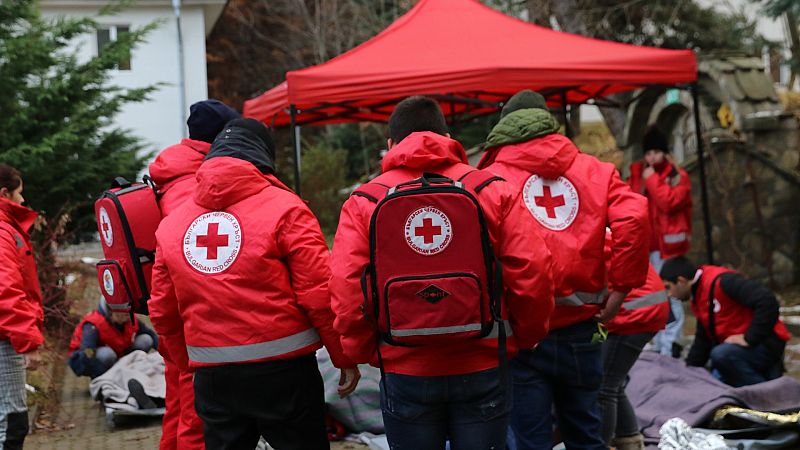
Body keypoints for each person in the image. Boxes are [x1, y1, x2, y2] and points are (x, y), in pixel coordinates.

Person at [330, 96, 555, 450]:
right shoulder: (491, 190)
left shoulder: (364, 201)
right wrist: (526, 336)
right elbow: (532, 270)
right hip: (482, 361)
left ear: (390, 145)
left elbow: (347, 289)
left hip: (403, 366)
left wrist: (362, 351)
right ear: (448, 136)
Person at [148, 118, 360, 450]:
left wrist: (189, 364)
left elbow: (162, 311)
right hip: (285, 372)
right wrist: (343, 356)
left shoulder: (172, 225)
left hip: (214, 377)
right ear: (263, 159)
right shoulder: (287, 209)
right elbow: (319, 295)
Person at [477, 90, 649, 450]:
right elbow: (633, 217)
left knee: (529, 440)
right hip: (582, 329)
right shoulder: (595, 170)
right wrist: (619, 292)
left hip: (521, 333)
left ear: (504, 127)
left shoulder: (488, 180)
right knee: (586, 435)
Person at [149, 98, 239, 450]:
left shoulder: (174, 172)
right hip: (192, 316)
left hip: (173, 312)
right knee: (195, 417)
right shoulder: (196, 183)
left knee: (177, 407)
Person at [660, 257, 790, 387]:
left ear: (681, 281)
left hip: (764, 343)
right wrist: (688, 371)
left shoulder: (722, 282)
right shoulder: (699, 293)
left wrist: (749, 338)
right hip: (743, 350)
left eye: (668, 287)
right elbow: (704, 337)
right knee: (715, 374)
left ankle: (764, 395)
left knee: (721, 355)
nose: (669, 294)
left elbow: (767, 301)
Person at [629, 126, 692, 358]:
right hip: (648, 246)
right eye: (647, 153)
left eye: (655, 152)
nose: (651, 157)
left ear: (664, 152)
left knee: (670, 295)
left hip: (669, 247)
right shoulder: (642, 175)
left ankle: (671, 344)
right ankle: (656, 340)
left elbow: (669, 202)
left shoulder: (676, 176)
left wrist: (652, 180)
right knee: (651, 294)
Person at [600, 245, 669, 450]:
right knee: (613, 381)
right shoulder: (599, 233)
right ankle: (629, 438)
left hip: (634, 314)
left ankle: (599, 445)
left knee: (604, 386)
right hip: (643, 309)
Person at [0, 163, 44, 450]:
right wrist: (28, 341)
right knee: (12, 424)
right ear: (5, 193)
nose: (23, 201)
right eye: (19, 193)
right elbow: (5, 290)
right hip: (5, 339)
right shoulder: (2, 232)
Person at [67, 299, 158, 379]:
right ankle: (102, 376)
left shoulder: (129, 319)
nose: (129, 317)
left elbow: (151, 334)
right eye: (125, 314)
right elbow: (87, 352)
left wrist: (167, 353)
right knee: (107, 354)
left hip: (118, 353)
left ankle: (129, 369)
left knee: (146, 340)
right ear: (112, 313)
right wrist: (106, 374)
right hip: (84, 360)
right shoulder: (93, 325)